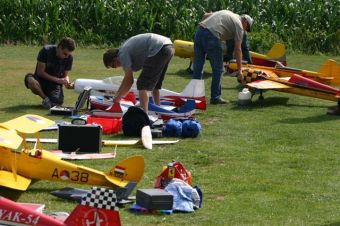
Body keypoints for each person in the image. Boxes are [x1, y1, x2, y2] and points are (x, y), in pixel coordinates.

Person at [103, 33, 174, 114]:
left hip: (158, 48)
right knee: (156, 84)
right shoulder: (126, 51)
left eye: (113, 66)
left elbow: (130, 81)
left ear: (115, 58)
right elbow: (126, 79)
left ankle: (143, 117)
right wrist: (116, 96)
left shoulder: (122, 54)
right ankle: (159, 112)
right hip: (168, 47)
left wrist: (117, 99)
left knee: (142, 84)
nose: (115, 68)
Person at [192, 10, 253, 104]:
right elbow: (238, 49)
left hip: (199, 32)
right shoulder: (239, 26)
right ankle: (215, 98)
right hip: (212, 37)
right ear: (245, 21)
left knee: (198, 67)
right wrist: (240, 69)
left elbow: (205, 15)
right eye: (247, 27)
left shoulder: (227, 13)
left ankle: (194, 96)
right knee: (218, 69)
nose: (245, 30)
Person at [24, 37, 76, 108]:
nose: (66, 57)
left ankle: (49, 100)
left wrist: (67, 81)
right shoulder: (46, 51)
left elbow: (65, 76)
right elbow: (40, 72)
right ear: (60, 47)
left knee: (57, 102)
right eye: (65, 54)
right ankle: (45, 99)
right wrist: (58, 80)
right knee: (31, 82)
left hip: (54, 85)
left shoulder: (69, 58)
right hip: (40, 80)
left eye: (68, 55)